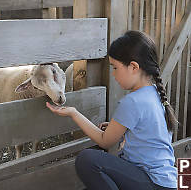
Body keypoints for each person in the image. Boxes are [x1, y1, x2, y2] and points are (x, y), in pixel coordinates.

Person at [46, 30, 178, 190]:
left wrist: (74, 113)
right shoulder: (155, 93)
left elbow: (105, 140)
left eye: (115, 67)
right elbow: (148, 132)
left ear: (133, 67)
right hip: (166, 182)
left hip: (151, 181)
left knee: (87, 159)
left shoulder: (133, 101)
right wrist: (120, 127)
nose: (113, 74)